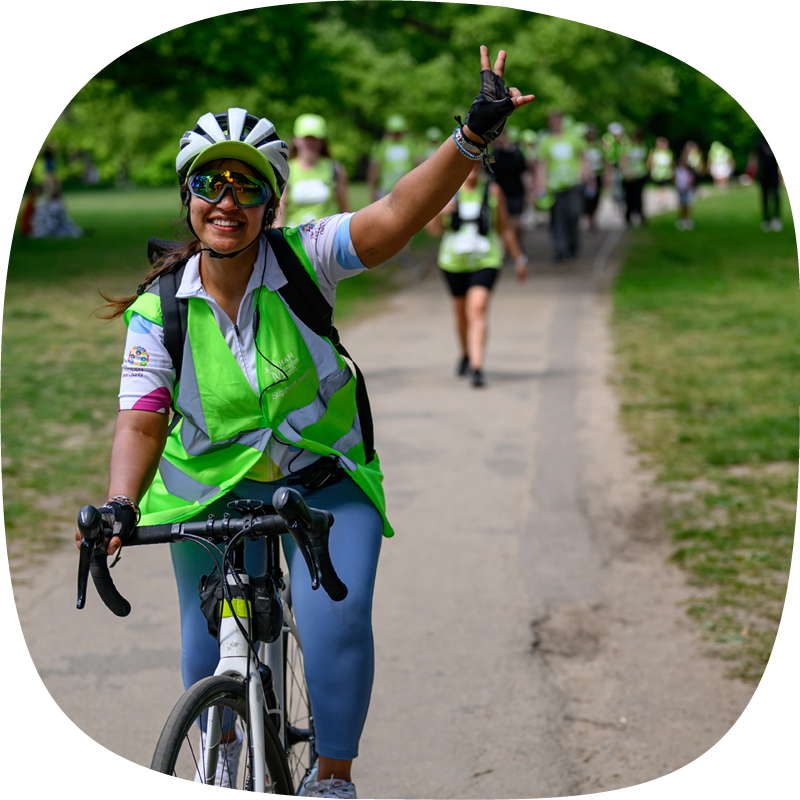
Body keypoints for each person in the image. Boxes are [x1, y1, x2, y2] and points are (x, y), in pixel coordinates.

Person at [76, 47, 533, 799]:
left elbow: (393, 217)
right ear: (186, 199)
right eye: (208, 182)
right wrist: (122, 501)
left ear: (273, 201)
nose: (227, 200)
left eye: (246, 183)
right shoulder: (160, 308)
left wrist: (470, 140)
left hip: (322, 480)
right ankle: (218, 749)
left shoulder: (304, 261)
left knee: (335, 626)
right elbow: (141, 417)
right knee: (206, 639)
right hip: (207, 491)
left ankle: (332, 777)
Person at [426, 163, 527, 388]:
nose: (471, 170)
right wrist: (440, 212)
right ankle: (465, 354)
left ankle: (477, 366)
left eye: (475, 166)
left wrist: (519, 258)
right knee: (461, 314)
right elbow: (433, 231)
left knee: (477, 308)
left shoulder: (493, 191)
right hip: (453, 262)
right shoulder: (447, 192)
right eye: (466, 166)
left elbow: (504, 227)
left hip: (486, 260)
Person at [536, 110, 592, 261]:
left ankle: (573, 244)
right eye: (552, 120)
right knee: (557, 219)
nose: (555, 123)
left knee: (573, 215)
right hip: (554, 187)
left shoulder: (573, 138)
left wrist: (585, 176)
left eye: (558, 120)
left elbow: (583, 158)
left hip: (573, 184)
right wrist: (540, 186)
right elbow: (542, 165)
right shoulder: (546, 142)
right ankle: (560, 249)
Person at [276, 113, 349, 227]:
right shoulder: (285, 170)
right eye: (306, 138)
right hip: (295, 239)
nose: (310, 143)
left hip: (327, 239)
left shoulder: (335, 169)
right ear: (296, 139)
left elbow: (345, 210)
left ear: (322, 141)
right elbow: (280, 213)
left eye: (315, 139)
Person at [488, 128, 528, 244]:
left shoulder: (517, 153)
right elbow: (488, 174)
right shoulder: (493, 154)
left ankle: (516, 243)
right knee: (503, 221)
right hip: (500, 193)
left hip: (516, 192)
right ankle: (507, 247)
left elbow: (524, 173)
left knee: (517, 223)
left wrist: (530, 192)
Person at [367, 114, 418, 202]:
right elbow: (374, 169)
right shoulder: (382, 146)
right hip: (386, 190)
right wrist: (373, 191)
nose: (396, 136)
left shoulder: (410, 144)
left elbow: (419, 163)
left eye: (399, 133)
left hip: (407, 189)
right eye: (394, 133)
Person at [747, 134, 782, 231]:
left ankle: (776, 218)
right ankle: (766, 219)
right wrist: (751, 172)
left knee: (775, 195)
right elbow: (754, 157)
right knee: (764, 196)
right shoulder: (760, 142)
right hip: (763, 174)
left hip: (774, 174)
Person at [619, 128, 649, 227]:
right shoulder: (627, 146)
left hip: (640, 175)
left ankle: (640, 215)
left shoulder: (642, 146)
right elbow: (623, 159)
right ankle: (628, 216)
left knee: (638, 196)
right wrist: (627, 172)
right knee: (629, 197)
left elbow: (645, 160)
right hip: (629, 177)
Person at [582, 124, 605, 233]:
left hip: (597, 175)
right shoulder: (582, 146)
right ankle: (589, 220)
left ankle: (593, 218)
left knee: (596, 199)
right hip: (586, 178)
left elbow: (605, 160)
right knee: (586, 199)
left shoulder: (598, 146)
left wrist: (607, 175)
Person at [648, 136, 674, 213]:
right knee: (660, 188)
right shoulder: (654, 152)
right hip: (657, 174)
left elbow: (672, 163)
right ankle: (661, 200)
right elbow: (650, 162)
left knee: (664, 188)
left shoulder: (668, 152)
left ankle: (663, 200)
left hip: (666, 174)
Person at [674, 145, 697, 230]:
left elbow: (692, 180)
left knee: (688, 204)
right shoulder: (679, 170)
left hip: (688, 189)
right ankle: (682, 220)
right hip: (681, 188)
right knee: (682, 204)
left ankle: (687, 220)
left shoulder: (690, 170)